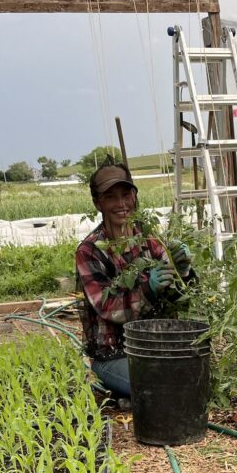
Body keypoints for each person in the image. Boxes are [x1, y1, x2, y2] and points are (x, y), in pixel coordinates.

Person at [75, 162, 195, 398]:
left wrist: (184, 273)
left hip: (158, 346)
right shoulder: (90, 251)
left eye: (126, 195)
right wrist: (147, 290)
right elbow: (107, 307)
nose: (121, 204)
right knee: (164, 389)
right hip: (115, 354)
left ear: (135, 196)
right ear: (98, 203)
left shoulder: (150, 239)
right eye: (111, 197)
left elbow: (180, 301)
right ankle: (125, 390)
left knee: (194, 378)